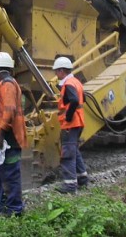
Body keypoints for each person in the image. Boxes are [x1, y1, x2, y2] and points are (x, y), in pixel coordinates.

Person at [0, 52, 28, 216]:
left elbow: (10, 111)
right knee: (1, 174)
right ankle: (3, 207)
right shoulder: (5, 84)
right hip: (5, 140)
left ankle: (14, 210)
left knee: (10, 175)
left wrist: (0, 134)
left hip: (8, 139)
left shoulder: (7, 85)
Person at [52, 57, 88, 193]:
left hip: (71, 123)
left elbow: (73, 100)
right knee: (75, 150)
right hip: (79, 122)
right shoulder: (76, 82)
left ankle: (70, 186)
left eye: (57, 71)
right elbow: (82, 99)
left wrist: (67, 116)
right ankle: (82, 179)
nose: (56, 74)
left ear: (62, 71)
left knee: (67, 153)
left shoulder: (68, 84)